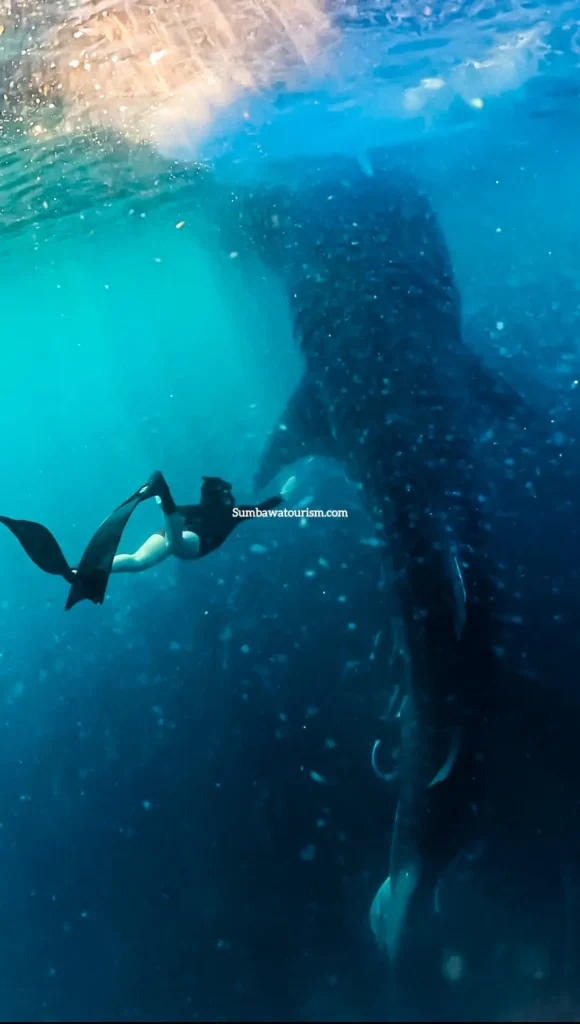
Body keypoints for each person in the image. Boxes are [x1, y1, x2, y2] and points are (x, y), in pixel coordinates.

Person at [0, 471, 282, 610]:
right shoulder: (232, 512)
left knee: (138, 560)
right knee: (178, 546)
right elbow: (261, 508)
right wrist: (286, 497)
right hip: (193, 541)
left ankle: (77, 571)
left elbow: (260, 508)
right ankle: (163, 494)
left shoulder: (194, 508)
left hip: (177, 527)